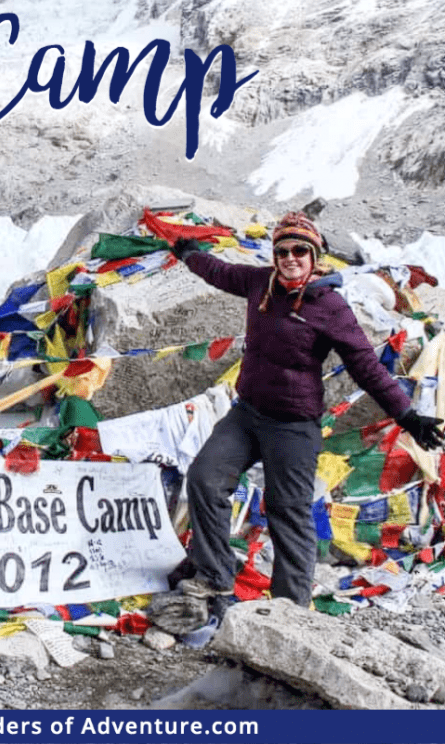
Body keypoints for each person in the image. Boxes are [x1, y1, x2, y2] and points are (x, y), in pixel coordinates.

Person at [170, 211, 444, 615]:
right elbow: (220, 272)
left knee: (288, 512)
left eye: (301, 250)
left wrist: (407, 416)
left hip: (294, 426)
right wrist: (190, 253)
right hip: (246, 414)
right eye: (283, 250)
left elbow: (366, 367)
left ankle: (290, 612)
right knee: (205, 479)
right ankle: (213, 576)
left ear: (315, 256)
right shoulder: (259, 283)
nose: (291, 257)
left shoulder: (330, 306)